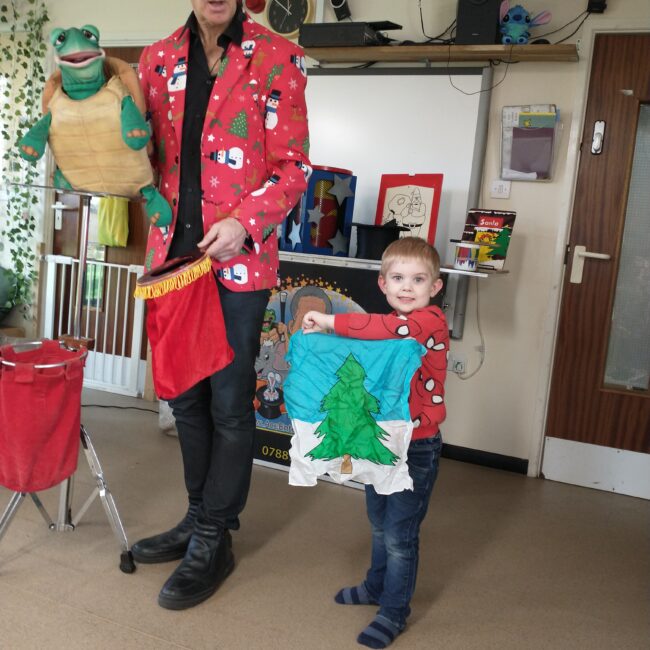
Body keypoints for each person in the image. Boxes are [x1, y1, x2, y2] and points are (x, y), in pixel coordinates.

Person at [132, 0, 311, 610]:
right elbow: (141, 155)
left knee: (230, 400)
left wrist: (245, 221)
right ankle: (195, 516)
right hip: (172, 259)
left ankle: (215, 535)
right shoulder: (156, 60)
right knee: (184, 396)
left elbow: (293, 167)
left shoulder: (277, 56)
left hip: (239, 259)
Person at [302, 237, 448, 649]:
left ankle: (395, 610)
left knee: (401, 534)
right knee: (380, 524)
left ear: (434, 288)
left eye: (418, 279)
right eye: (398, 278)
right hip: (381, 441)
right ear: (383, 284)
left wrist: (329, 320)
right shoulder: (384, 324)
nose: (407, 287)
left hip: (416, 446)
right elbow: (358, 352)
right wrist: (319, 338)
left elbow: (391, 330)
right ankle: (375, 586)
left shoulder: (428, 321)